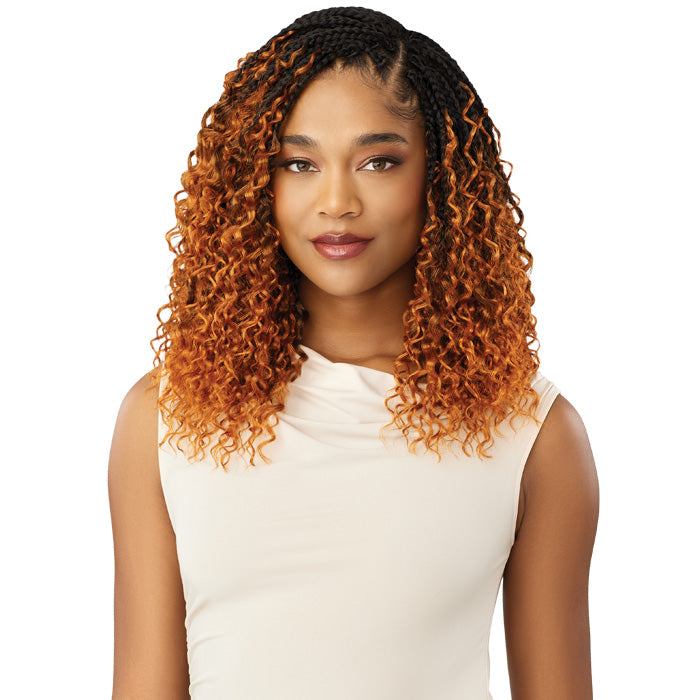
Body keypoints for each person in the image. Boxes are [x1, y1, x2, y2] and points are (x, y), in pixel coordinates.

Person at [108, 7, 599, 699]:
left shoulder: (533, 435)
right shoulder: (167, 418)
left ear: (442, 175)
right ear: (253, 183)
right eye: (299, 163)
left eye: (378, 161)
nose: (336, 201)